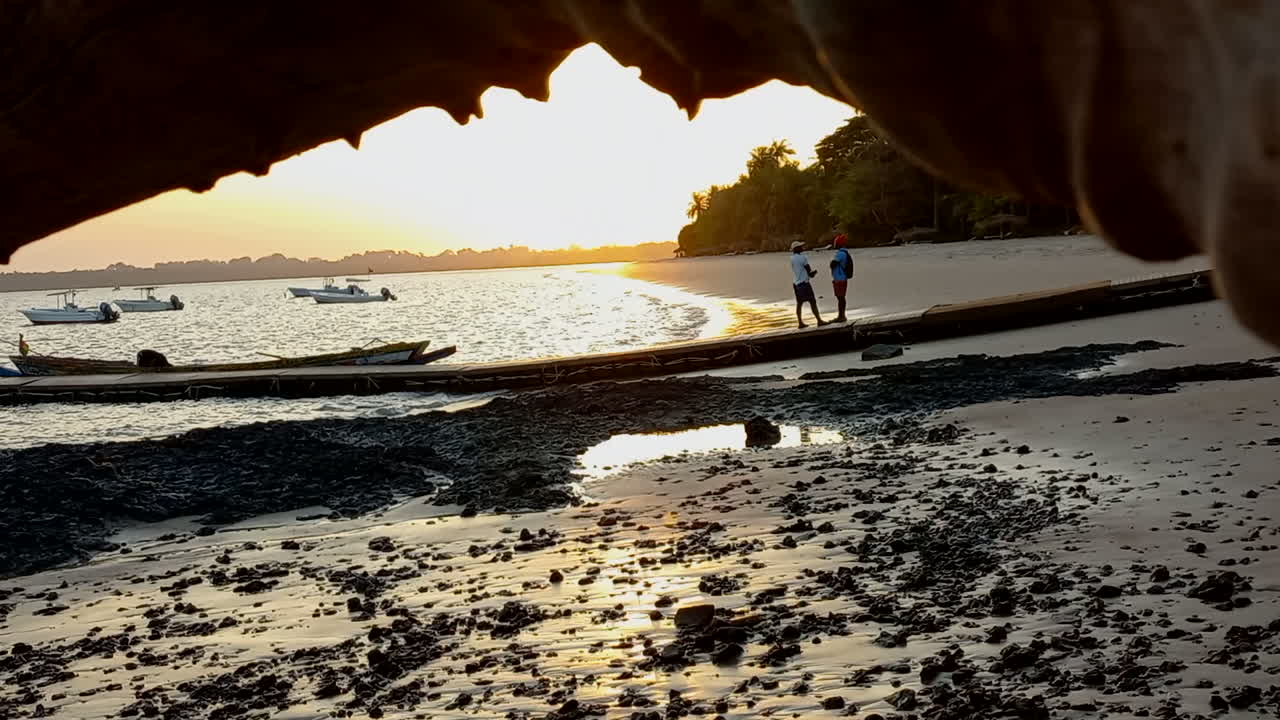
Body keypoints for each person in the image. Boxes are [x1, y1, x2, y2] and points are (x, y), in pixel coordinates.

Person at [789, 241, 826, 328]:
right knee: (812, 302)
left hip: (796, 283)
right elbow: (810, 273)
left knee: (799, 303)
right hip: (804, 283)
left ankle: (800, 323)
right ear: (797, 249)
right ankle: (819, 321)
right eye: (801, 246)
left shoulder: (791, 258)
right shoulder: (803, 258)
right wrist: (815, 272)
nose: (802, 247)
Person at [829, 234, 854, 323]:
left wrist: (831, 262)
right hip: (842, 278)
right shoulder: (844, 253)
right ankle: (842, 315)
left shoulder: (840, 254)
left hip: (839, 278)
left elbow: (832, 264)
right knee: (841, 297)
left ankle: (841, 316)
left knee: (840, 298)